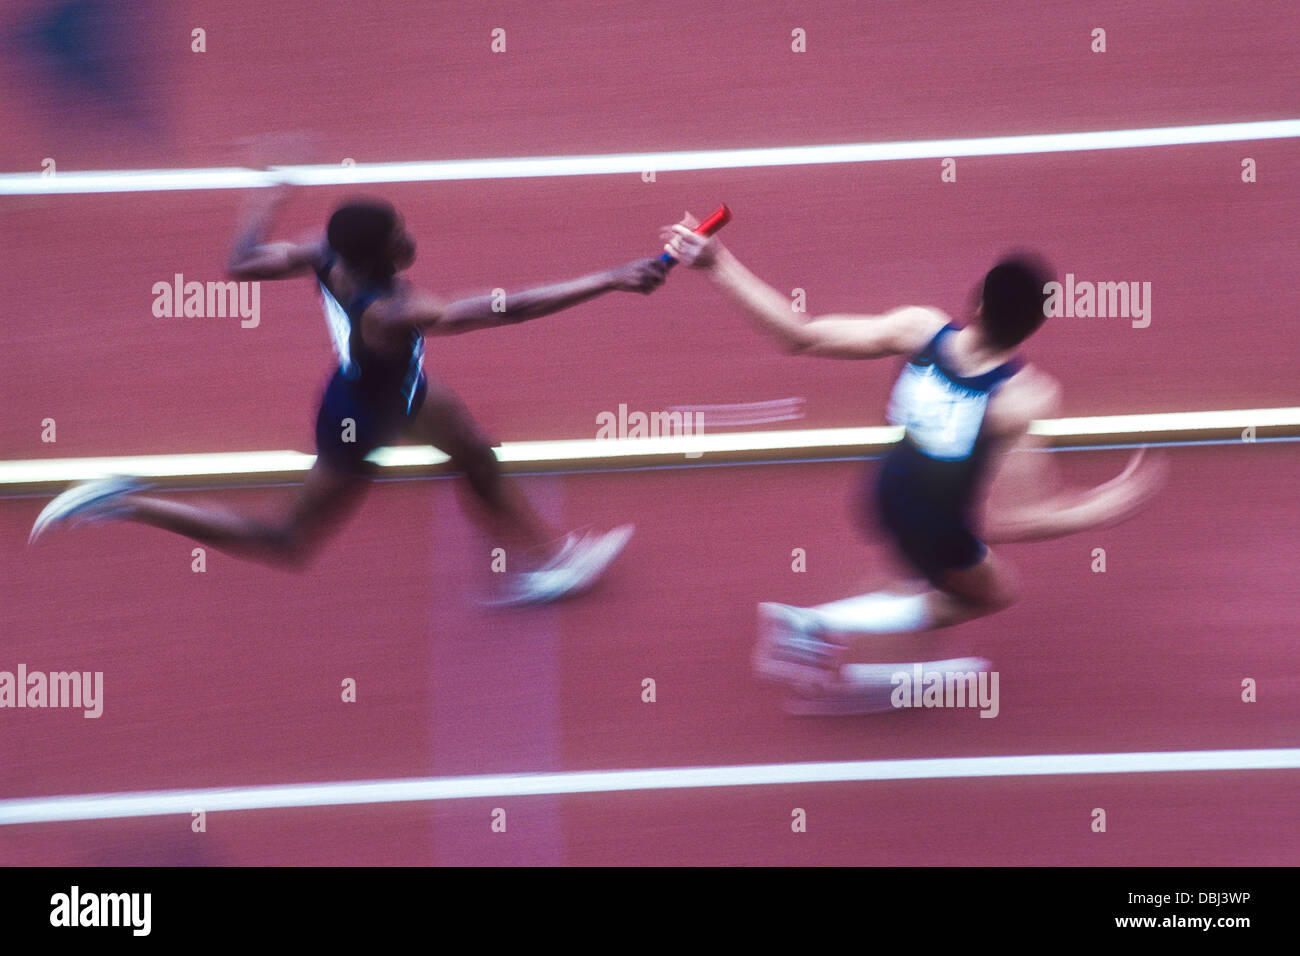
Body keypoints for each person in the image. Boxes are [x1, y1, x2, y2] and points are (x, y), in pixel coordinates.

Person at [30, 185, 669, 606]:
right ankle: (128, 504)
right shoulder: (394, 310)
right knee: (286, 541)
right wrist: (610, 279)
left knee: (475, 452)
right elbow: (509, 310)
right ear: (384, 252)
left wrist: (268, 193)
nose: (408, 233)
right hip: (360, 421)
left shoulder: (324, 252)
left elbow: (242, 262)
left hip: (402, 393)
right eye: (400, 232)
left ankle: (547, 560)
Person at [662, 215, 1166, 713]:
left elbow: (799, 335)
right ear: (1036, 326)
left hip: (886, 489)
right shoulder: (1022, 398)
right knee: (990, 593)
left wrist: (718, 262)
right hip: (936, 524)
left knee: (918, 578)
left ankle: (883, 645)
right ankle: (813, 626)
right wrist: (1109, 504)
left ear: (980, 300)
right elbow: (1014, 520)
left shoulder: (919, 329)